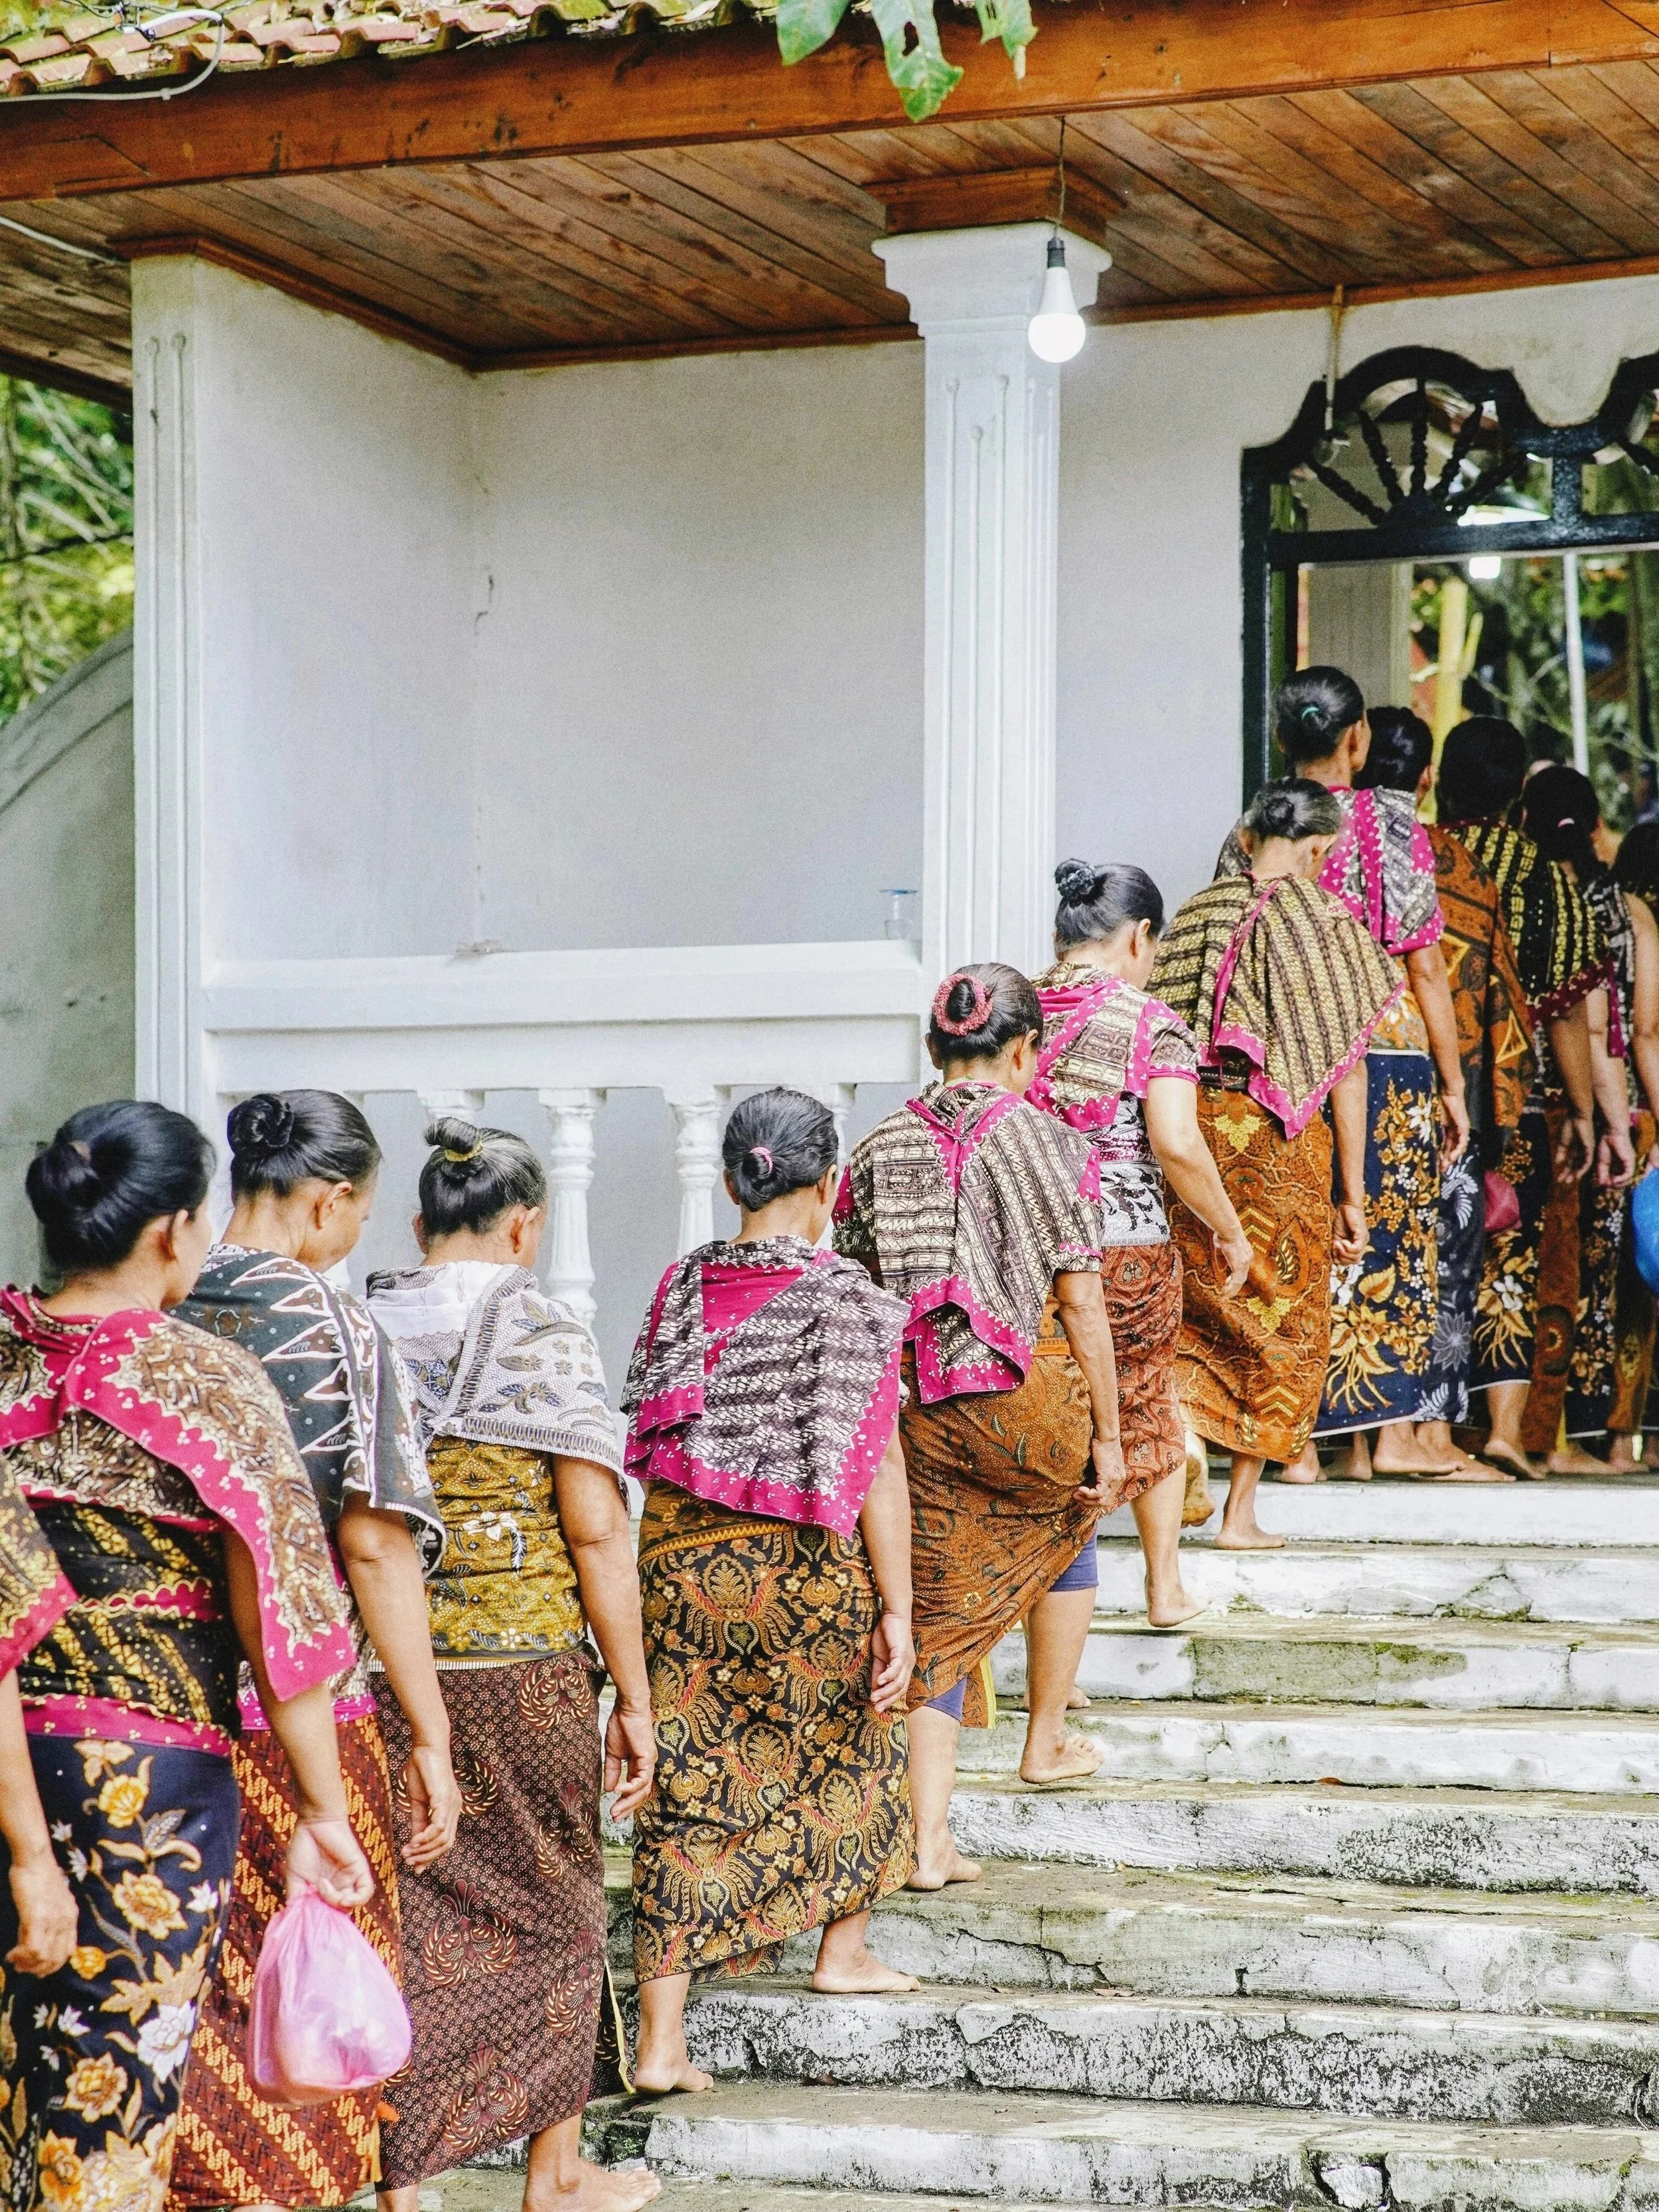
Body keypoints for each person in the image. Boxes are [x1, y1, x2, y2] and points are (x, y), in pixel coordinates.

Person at [0, 1100, 373, 2212]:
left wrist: (25, 1844)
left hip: (16, 1769)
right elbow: (282, 1625)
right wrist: (323, 1809)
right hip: (142, 1793)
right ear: (171, 1229)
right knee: (114, 2089)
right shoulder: (210, 1383)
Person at [169, 1092, 460, 2212]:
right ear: (333, 1201)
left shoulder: (159, 1299)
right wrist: (428, 1731)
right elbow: (376, 1544)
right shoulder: (335, 1327)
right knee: (315, 1967)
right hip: (303, 1712)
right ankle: (305, 2184)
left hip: (152, 1703)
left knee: (187, 1975)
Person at [368, 1120, 659, 2212]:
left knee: (409, 1907)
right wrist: (633, 1693)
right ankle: (555, 2171)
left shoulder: (362, 1325)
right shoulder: (544, 1328)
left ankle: (399, 2173)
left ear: (417, 1224)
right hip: (521, 1663)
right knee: (556, 1907)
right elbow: (594, 1528)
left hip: (392, 1665)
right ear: (527, 1226)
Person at [624, 1088, 915, 2097]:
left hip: (676, 1565)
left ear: (731, 1181)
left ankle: (662, 2046)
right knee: (861, 1743)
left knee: (688, 1783)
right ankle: (844, 1952)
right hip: (801, 1570)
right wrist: (899, 1609)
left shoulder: (678, 1284)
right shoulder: (855, 1301)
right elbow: (874, 1466)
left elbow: (654, 1446)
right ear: (828, 1186)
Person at [834, 963, 1125, 1885]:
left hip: (913, 1411)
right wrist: (1110, 1439)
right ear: (1028, 1051)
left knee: (936, 1608)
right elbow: (1080, 1305)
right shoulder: (1054, 1141)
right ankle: (1046, 1739)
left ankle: (926, 1840)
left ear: (934, 1052)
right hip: (1023, 1402)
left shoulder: (877, 1145)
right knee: (1073, 1508)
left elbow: (850, 1291)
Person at [1224, 670, 1467, 1483]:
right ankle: (1376, 1438)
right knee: (1381, 1234)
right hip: (1383, 1050)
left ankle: (1297, 1444)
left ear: (1283, 739)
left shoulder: (1250, 829)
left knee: (1294, 1232)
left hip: (1281, 1053)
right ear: (1357, 738)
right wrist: (1455, 1082)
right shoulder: (1390, 824)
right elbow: (1425, 969)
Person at [1152, 778, 1401, 1546]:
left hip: (1189, 1131)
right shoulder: (1327, 921)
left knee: (1192, 1303)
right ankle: (1240, 1516)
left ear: (1248, 834)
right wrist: (1352, 1194)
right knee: (1281, 1315)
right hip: (1277, 1139)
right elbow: (1348, 1069)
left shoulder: (1193, 914)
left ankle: (1186, 1434)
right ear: (1321, 848)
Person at [1030, 860, 1253, 1615]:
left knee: (1055, 1420)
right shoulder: (1149, 1021)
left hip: (1022, 1250)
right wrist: (1229, 1231)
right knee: (1145, 1404)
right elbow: (1178, 1143)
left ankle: (1057, 1654)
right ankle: (1164, 1588)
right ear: (1141, 935)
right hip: (1122, 1249)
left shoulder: (1010, 1008)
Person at [1355, 709, 1534, 1479]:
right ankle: (1423, 1436)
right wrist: (1492, 1108)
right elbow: (1500, 1011)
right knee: (1443, 1264)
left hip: (1332, 1082)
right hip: (1431, 1083)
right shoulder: (1453, 867)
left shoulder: (1316, 847)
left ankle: (1350, 1445)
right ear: (1424, 778)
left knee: (1355, 1256)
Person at [1437, 720, 1609, 1477]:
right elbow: (1571, 1009)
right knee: (1507, 1250)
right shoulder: (1544, 875)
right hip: (1516, 1097)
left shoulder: (1417, 859)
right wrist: (1579, 1111)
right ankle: (1503, 1429)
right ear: (1516, 796)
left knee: (1428, 1250)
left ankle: (1423, 1429)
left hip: (1423, 1091)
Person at [1518, 767, 1644, 1461]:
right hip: (1587, 1108)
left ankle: (1516, 1429)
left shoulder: (1520, 889)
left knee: (1519, 1271)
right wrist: (1615, 1123)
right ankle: (1577, 1436)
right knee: (1582, 1279)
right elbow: (1616, 1033)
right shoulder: (1623, 911)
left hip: (1517, 1102)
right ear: (1597, 828)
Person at [1610, 821, 1659, 1463]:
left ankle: (1625, 1439)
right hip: (1641, 1112)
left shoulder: (1608, 912)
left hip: (1622, 1107)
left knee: (1628, 1280)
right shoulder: (1644, 925)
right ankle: (1630, 1439)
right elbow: (1646, 1031)